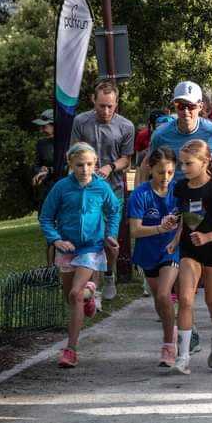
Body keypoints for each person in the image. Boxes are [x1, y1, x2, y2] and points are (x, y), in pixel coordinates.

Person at [39, 142, 121, 368]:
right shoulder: (61, 187)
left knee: (75, 294)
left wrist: (110, 234)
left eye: (88, 165)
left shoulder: (101, 187)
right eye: (79, 165)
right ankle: (90, 295)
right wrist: (56, 239)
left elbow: (114, 210)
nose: (84, 170)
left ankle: (71, 350)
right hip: (67, 248)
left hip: (91, 248)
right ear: (70, 164)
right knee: (70, 298)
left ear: (96, 164)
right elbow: (46, 217)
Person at [167, 140, 212, 375]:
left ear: (205, 162)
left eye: (189, 163)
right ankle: (183, 356)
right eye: (181, 163)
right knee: (185, 299)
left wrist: (208, 237)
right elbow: (185, 218)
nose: (183, 168)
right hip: (189, 250)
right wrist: (175, 238)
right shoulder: (180, 188)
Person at [70, 79, 136, 300]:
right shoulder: (81, 122)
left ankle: (109, 274)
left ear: (116, 103)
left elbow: (127, 159)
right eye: (102, 106)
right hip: (87, 191)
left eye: (110, 106)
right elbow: (73, 152)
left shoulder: (126, 126)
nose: (106, 110)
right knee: (92, 239)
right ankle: (93, 289)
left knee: (110, 240)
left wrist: (110, 167)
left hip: (113, 189)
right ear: (93, 101)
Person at [127, 146, 181, 367]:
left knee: (163, 294)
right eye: (160, 172)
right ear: (150, 169)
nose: (165, 178)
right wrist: (159, 228)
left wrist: (175, 240)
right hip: (148, 252)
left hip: (171, 250)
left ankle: (169, 346)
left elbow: (185, 222)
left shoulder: (179, 191)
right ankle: (173, 327)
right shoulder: (140, 194)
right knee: (160, 301)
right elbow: (135, 231)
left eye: (170, 172)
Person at [31, 109, 57, 266]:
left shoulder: (66, 142)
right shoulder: (41, 144)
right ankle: (50, 269)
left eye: (45, 126)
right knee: (49, 228)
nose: (42, 129)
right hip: (46, 191)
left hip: (62, 188)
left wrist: (50, 170)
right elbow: (36, 164)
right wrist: (39, 171)